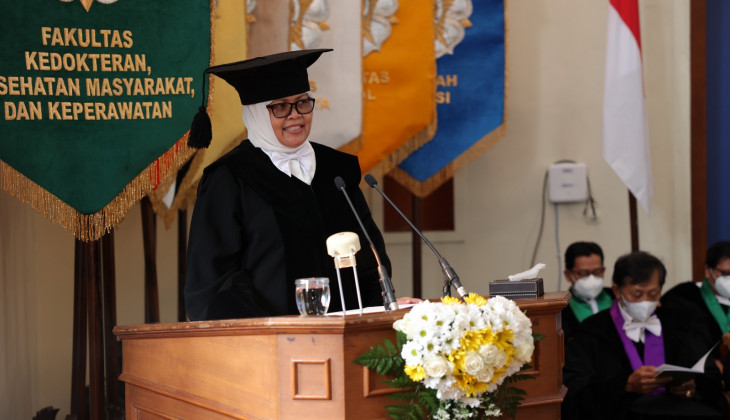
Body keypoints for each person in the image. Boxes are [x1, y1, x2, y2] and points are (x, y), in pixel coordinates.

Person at [184, 49, 416, 321]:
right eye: (280, 107)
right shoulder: (230, 178)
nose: (295, 115)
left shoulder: (335, 169)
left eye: (302, 103)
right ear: (257, 113)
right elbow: (213, 284)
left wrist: (383, 305)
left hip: (346, 332)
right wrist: (271, 332)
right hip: (269, 343)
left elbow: (368, 258)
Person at [562, 251, 723, 420]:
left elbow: (710, 372)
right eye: (637, 294)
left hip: (676, 408)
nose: (645, 301)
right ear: (617, 290)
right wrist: (625, 385)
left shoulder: (679, 323)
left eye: (653, 294)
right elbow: (574, 386)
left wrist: (692, 386)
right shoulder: (592, 330)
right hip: (620, 412)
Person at [661, 240, 730, 389]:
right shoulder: (683, 297)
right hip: (705, 383)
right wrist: (711, 366)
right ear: (708, 271)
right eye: (726, 273)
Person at [560, 241, 615, 340]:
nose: (591, 278)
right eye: (583, 273)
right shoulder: (561, 311)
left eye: (597, 272)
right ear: (568, 275)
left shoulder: (617, 298)